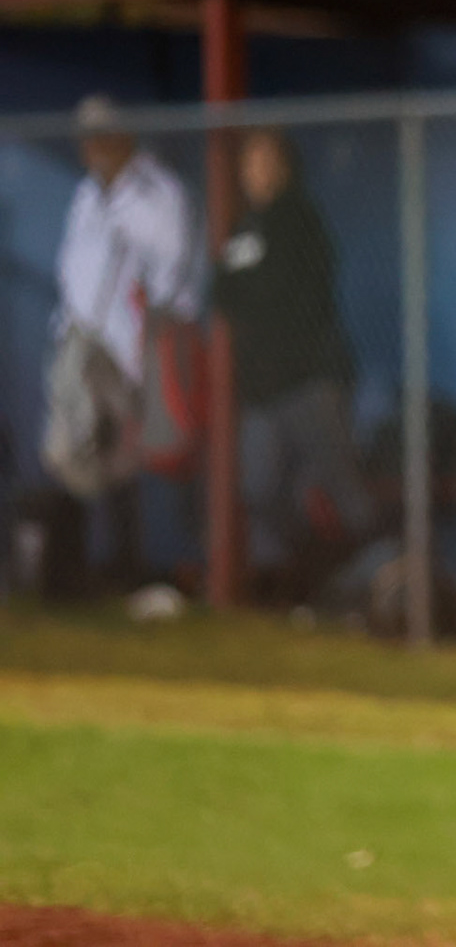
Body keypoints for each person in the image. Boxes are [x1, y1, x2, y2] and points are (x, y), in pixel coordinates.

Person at [209, 129, 374, 603]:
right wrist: (255, 291)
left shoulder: (302, 221)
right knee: (259, 489)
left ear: (284, 168)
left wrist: (255, 291)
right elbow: (221, 293)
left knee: (345, 489)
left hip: (310, 382)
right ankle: (320, 569)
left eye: (265, 161)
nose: (256, 172)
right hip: (261, 388)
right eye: (249, 163)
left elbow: (290, 292)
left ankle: (387, 584)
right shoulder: (244, 230)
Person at [50, 94, 199, 590]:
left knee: (125, 455)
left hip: (129, 345)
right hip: (81, 339)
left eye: (103, 134)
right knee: (73, 447)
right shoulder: (85, 194)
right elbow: (72, 268)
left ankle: (124, 568)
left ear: (126, 136)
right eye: (88, 137)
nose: (93, 146)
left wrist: (151, 341)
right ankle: (72, 570)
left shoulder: (157, 191)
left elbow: (172, 274)